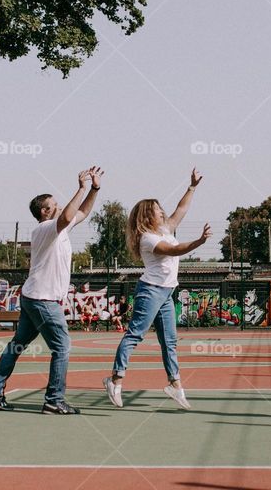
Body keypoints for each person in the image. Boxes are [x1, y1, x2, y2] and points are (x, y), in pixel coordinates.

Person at [0, 166, 103, 415]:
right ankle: (54, 400)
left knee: (17, 345)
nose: (59, 206)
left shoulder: (58, 229)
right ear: (45, 211)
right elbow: (68, 216)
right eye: (54, 204)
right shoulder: (45, 228)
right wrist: (80, 188)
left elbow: (81, 213)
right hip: (43, 299)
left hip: (33, 297)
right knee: (62, 347)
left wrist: (94, 188)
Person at [104, 169, 210, 410]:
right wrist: (198, 242)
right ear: (147, 215)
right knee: (135, 335)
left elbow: (181, 210)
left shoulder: (165, 229)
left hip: (166, 292)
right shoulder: (148, 239)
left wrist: (192, 187)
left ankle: (175, 385)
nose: (162, 211)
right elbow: (173, 250)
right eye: (157, 209)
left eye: (161, 208)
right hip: (151, 291)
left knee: (169, 341)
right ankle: (115, 380)